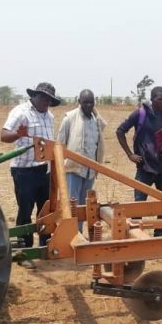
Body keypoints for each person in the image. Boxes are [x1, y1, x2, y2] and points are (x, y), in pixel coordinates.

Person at [117, 86, 162, 236]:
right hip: (143, 167)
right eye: (159, 99)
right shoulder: (140, 114)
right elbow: (120, 131)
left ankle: (159, 235)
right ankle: (135, 235)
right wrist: (130, 155)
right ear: (152, 99)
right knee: (138, 205)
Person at [1, 82, 61, 250]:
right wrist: (17, 134)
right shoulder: (21, 112)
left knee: (45, 209)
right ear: (34, 96)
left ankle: (45, 244)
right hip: (24, 171)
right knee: (25, 210)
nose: (46, 102)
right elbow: (3, 135)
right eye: (43, 97)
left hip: (44, 170)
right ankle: (24, 247)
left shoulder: (50, 116)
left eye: (49, 100)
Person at [57, 89, 106, 233]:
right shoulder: (70, 118)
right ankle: (71, 234)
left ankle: (79, 232)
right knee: (72, 204)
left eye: (91, 102)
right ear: (79, 102)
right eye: (85, 102)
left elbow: (98, 143)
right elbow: (60, 144)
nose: (89, 105)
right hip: (74, 168)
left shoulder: (95, 120)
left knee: (85, 205)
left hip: (90, 171)